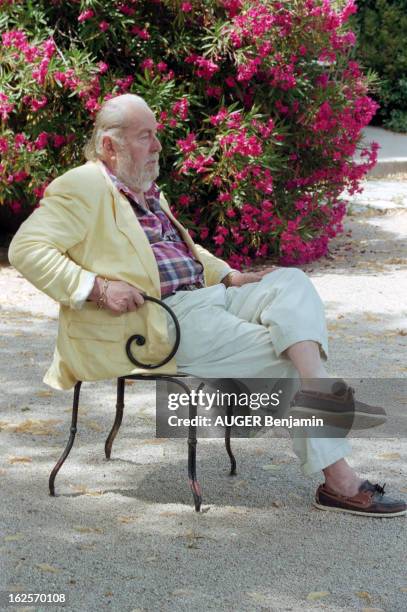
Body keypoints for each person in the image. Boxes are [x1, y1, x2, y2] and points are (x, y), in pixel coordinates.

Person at [8, 94, 406, 517]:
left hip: (207, 296)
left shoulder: (144, 192)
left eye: (156, 135)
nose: (158, 146)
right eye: (146, 137)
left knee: (290, 281)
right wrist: (97, 289)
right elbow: (26, 248)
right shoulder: (82, 186)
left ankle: (315, 385)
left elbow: (184, 250)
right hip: (161, 319)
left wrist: (231, 276)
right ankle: (339, 482)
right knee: (284, 355)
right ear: (110, 146)